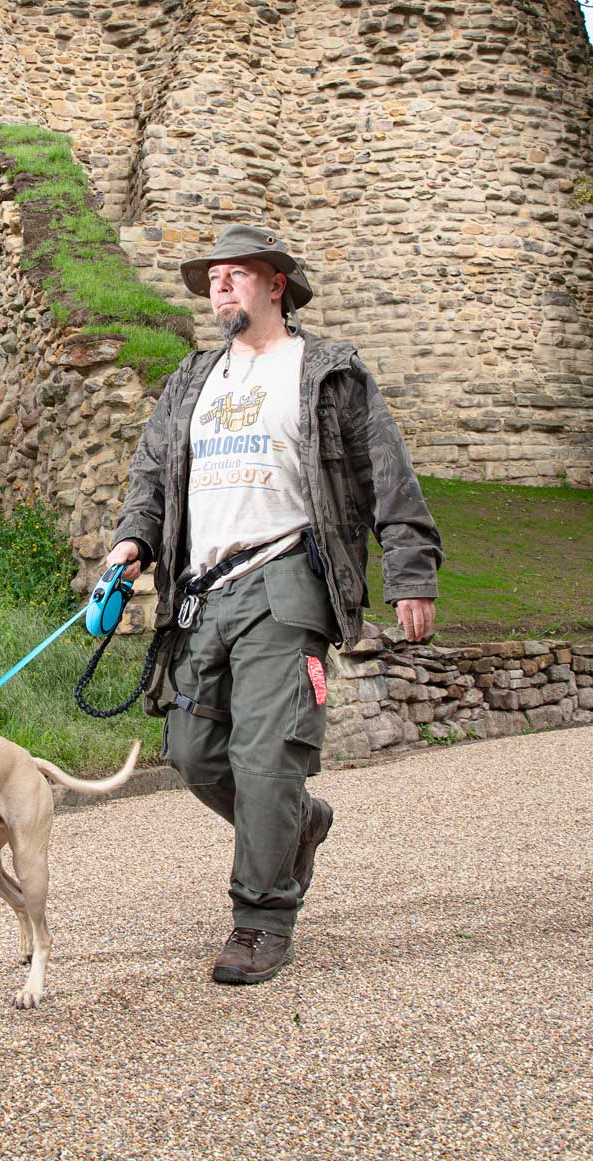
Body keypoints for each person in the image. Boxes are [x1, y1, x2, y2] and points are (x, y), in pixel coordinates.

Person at [106, 223, 441, 984]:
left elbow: (384, 470)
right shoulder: (192, 379)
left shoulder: (326, 370)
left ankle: (261, 921)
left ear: (274, 285)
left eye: (235, 275)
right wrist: (134, 543)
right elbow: (153, 476)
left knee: (266, 757)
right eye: (212, 278)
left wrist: (411, 570)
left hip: (286, 580)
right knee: (191, 755)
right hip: (201, 590)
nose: (220, 287)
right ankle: (298, 820)